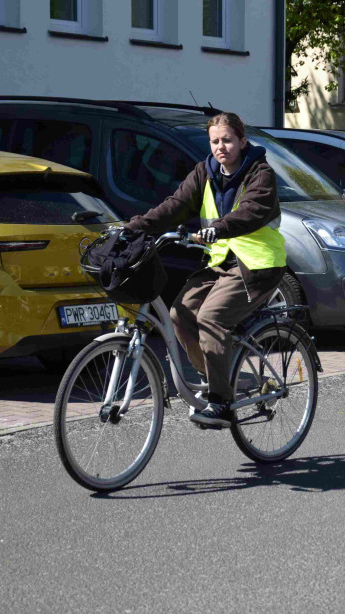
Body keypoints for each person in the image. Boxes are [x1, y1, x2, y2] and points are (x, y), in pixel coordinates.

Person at [125, 112, 285, 428]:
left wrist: (219, 228)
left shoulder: (260, 174)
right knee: (179, 314)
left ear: (242, 140)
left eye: (227, 140)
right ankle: (215, 377)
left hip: (258, 264)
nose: (220, 147)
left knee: (211, 318)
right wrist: (135, 228)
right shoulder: (204, 173)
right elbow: (174, 205)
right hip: (221, 261)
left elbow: (250, 211)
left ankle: (221, 403)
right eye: (214, 141)